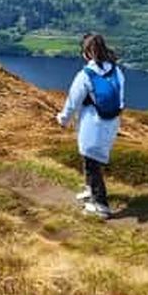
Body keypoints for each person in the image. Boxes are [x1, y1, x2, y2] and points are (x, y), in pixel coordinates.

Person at [56, 33, 125, 219]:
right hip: (111, 123)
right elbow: (121, 100)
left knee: (91, 163)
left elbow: (73, 102)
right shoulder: (116, 71)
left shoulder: (85, 75)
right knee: (91, 160)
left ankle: (101, 206)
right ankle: (90, 190)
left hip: (92, 125)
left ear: (87, 52)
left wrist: (63, 119)